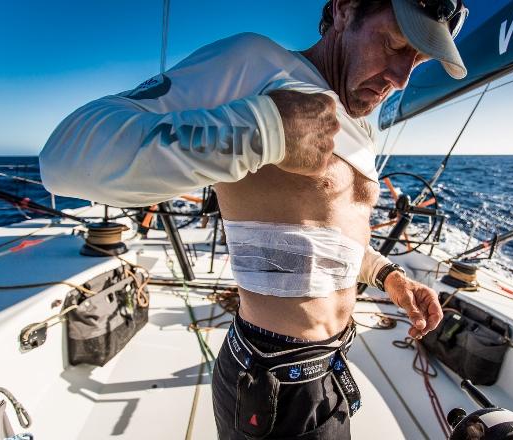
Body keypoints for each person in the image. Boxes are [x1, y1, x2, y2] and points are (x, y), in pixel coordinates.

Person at [39, 0, 468, 437]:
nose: (400, 79)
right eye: (394, 44)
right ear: (344, 10)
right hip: (273, 381)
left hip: (328, 370)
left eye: (417, 60)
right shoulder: (257, 63)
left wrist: (390, 276)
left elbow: (325, 239)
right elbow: (65, 156)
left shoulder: (362, 125)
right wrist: (264, 129)